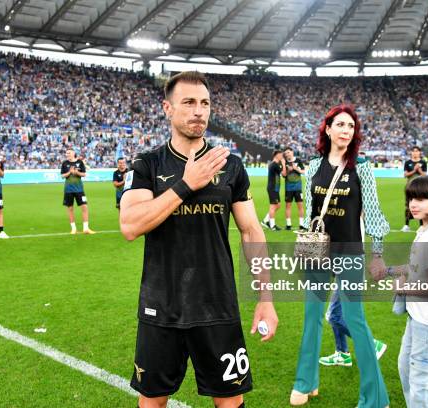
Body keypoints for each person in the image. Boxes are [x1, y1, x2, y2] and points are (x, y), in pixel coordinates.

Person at [120, 71, 278, 408]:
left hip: (217, 304)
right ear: (168, 108)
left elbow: (252, 232)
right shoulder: (147, 164)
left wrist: (265, 297)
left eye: (205, 103)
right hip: (161, 304)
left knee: (230, 403)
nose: (198, 111)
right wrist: (186, 184)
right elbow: (130, 225)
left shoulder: (230, 166)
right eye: (189, 102)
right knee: (152, 402)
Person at [290, 105, 390, 407]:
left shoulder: (361, 167)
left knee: (355, 320)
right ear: (328, 129)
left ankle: (375, 397)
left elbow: (372, 214)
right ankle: (306, 383)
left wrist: (377, 253)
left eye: (351, 126)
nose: (346, 130)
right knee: (311, 318)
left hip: (350, 252)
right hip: (318, 252)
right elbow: (309, 215)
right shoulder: (312, 167)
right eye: (340, 125)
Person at [374, 175, 428, 407]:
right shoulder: (426, 230)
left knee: (422, 379)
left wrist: (403, 286)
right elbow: (417, 267)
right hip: (420, 316)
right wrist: (388, 270)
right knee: (406, 366)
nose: (413, 203)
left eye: (421, 198)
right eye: (411, 197)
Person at [61, 148, 95, 234]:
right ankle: (73, 229)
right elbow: (62, 176)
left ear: (73, 153)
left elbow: (84, 174)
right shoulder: (65, 163)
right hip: (68, 190)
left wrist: (77, 173)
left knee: (84, 207)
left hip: (79, 189)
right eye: (66, 153)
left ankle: (86, 228)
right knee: (70, 209)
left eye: (69, 153)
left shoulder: (80, 162)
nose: (67, 154)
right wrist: (69, 172)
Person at [401, 146, 427, 232]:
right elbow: (405, 175)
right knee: (408, 206)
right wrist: (414, 170)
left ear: (419, 152)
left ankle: (421, 225)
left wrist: (418, 169)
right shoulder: (408, 162)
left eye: (417, 151)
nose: (415, 153)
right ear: (411, 153)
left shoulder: (423, 162)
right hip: (409, 187)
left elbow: (425, 175)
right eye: (413, 151)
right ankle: (406, 225)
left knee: (420, 205)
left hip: (420, 187)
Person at [261, 150, 286, 231]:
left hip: (275, 188)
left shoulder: (275, 164)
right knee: (273, 206)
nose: (282, 156)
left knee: (278, 205)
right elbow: (284, 174)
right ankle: (272, 226)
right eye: (280, 155)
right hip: (273, 188)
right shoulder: (274, 165)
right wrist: (283, 163)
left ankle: (265, 221)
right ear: (276, 155)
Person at [283, 147, 305, 230]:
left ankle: (301, 224)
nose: (287, 154)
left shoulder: (298, 160)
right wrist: (288, 170)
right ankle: (288, 225)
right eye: (286, 153)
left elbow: (303, 171)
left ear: (292, 152)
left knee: (300, 206)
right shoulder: (284, 162)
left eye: (288, 152)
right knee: (288, 206)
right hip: (288, 188)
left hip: (298, 188)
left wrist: (296, 169)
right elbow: (284, 175)